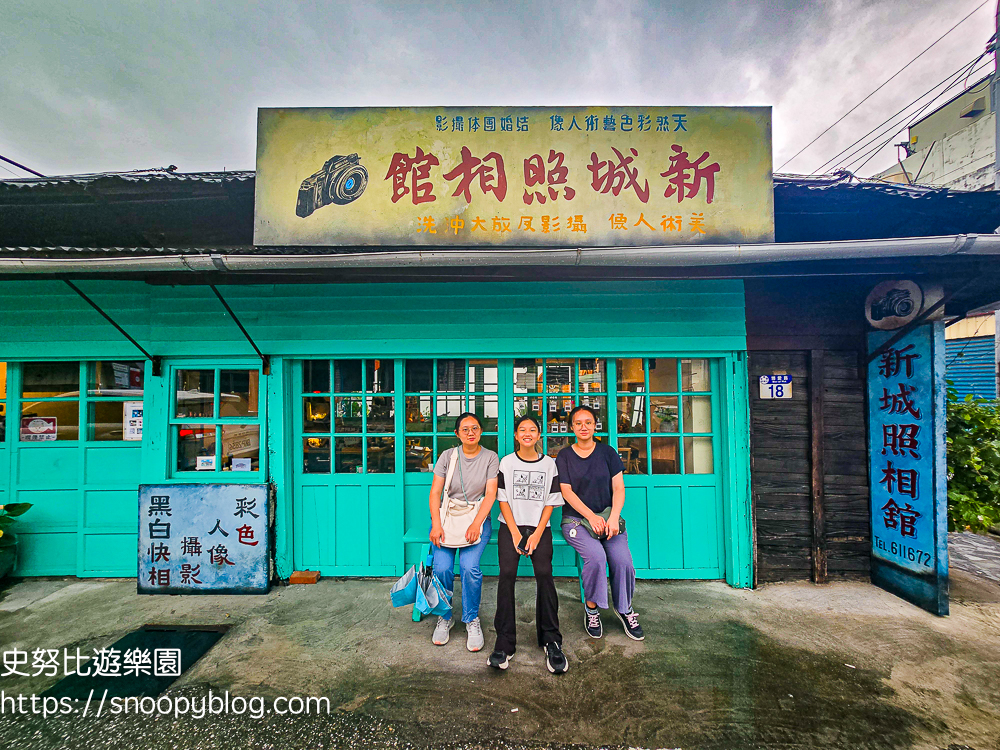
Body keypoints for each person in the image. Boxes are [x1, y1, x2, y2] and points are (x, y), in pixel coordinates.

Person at [556, 405, 644, 641]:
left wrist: (613, 517)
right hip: (576, 520)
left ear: (595, 425)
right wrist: (590, 517)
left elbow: (618, 487)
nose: (583, 427)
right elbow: (567, 491)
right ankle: (592, 608)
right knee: (596, 558)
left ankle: (624, 608)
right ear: (572, 427)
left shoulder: (608, 452)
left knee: (623, 561)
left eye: (588, 422)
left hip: (607, 518)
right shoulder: (565, 456)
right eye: (578, 423)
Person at [488, 415, 568, 674]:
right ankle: (504, 642)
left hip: (539, 528)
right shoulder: (507, 462)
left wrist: (535, 534)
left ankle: (551, 640)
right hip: (510, 526)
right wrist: (514, 533)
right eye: (522, 429)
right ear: (515, 435)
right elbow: (502, 499)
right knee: (507, 575)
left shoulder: (549, 464)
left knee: (544, 574)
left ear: (539, 435)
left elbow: (551, 502)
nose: (527, 433)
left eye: (532, 430)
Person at [428, 412, 499, 651]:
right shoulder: (447, 456)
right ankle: (444, 615)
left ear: (481, 432)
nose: (471, 433)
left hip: (476, 519)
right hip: (447, 518)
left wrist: (476, 523)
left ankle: (471, 619)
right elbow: (435, 492)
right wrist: (436, 524)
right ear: (457, 433)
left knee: (470, 568)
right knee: (442, 567)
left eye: (475, 428)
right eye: (465, 429)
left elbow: (490, 494)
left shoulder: (490, 457)